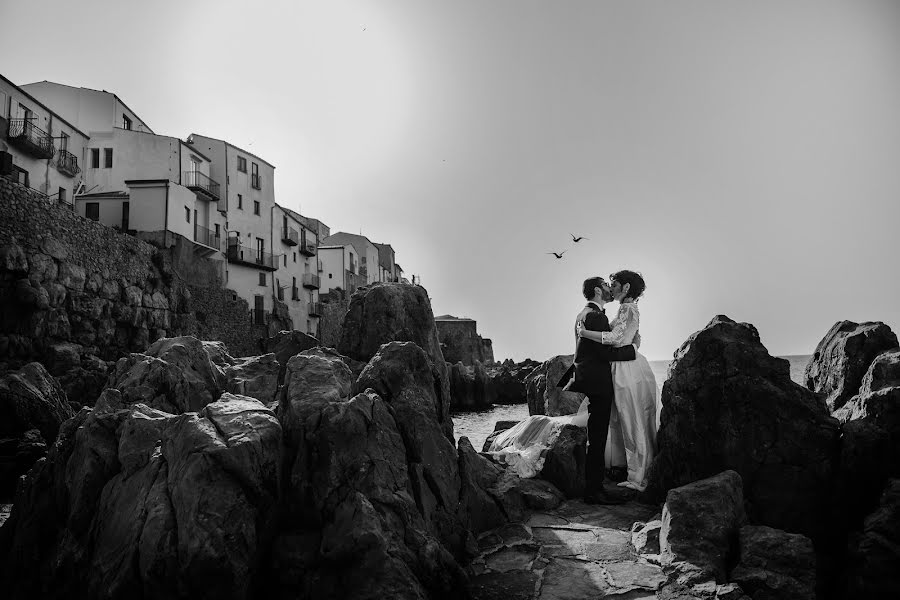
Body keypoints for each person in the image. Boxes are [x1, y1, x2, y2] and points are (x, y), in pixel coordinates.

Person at [487, 276, 637, 505]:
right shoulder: (596, 316)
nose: (609, 288)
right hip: (597, 381)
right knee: (597, 438)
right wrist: (633, 350)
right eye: (606, 286)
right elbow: (603, 353)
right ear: (597, 290)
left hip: (587, 377)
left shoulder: (582, 314)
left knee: (596, 435)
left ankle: (593, 487)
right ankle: (594, 492)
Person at [577, 270, 658, 492]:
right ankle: (630, 468)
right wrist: (633, 345)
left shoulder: (627, 308)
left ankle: (636, 475)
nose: (611, 288)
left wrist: (586, 334)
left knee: (630, 418)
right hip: (624, 366)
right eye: (609, 284)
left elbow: (613, 338)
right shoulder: (627, 308)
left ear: (626, 288)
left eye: (614, 284)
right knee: (627, 418)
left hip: (626, 370)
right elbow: (623, 336)